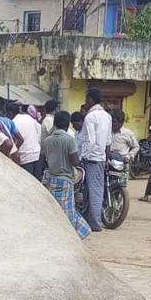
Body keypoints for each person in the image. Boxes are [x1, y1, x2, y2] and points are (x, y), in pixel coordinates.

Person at [40, 111, 91, 239]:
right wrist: (80, 164)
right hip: (65, 181)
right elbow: (74, 160)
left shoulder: (47, 141)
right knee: (68, 214)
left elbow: (42, 161)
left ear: (55, 124)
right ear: (67, 125)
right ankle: (72, 238)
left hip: (51, 180)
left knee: (54, 212)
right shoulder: (69, 140)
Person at [81, 88, 113, 232]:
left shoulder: (90, 117)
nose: (85, 102)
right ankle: (92, 219)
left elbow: (90, 141)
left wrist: (82, 157)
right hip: (101, 158)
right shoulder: (107, 116)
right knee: (97, 190)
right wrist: (106, 158)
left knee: (93, 190)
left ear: (91, 100)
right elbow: (108, 141)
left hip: (91, 158)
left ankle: (95, 223)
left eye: (87, 99)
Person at [9, 102, 41, 178]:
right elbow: (38, 129)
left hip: (24, 157)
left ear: (10, 113)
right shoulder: (28, 117)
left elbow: (19, 140)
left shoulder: (13, 123)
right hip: (36, 154)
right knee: (37, 184)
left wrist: (13, 152)